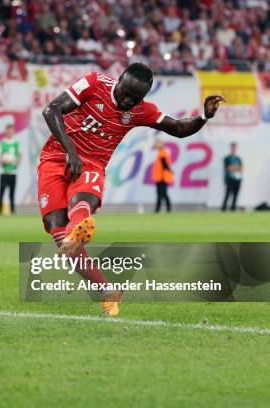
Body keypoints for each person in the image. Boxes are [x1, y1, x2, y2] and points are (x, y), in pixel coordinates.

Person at [40, 63, 224, 316]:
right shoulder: (94, 84)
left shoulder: (141, 111)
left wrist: (204, 116)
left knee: (80, 204)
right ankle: (107, 290)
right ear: (119, 81)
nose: (128, 101)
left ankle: (77, 232)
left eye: (136, 98)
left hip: (93, 163)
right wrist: (71, 151)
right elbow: (51, 110)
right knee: (56, 228)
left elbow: (179, 129)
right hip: (55, 156)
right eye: (125, 93)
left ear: (144, 96)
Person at [0, 124, 21, 215]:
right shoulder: (2, 143)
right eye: (8, 131)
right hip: (4, 172)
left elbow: (20, 155)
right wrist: (2, 161)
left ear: (13, 132)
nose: (10, 132)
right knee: (1, 192)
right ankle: (0, 211)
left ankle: (12, 211)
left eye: (11, 131)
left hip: (13, 172)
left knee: (12, 193)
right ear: (6, 132)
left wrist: (17, 164)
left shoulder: (16, 143)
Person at [152, 140, 174, 213]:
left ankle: (167, 209)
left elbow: (164, 164)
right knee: (160, 194)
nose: (156, 145)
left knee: (163, 193)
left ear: (161, 144)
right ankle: (158, 209)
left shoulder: (162, 152)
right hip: (160, 177)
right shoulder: (162, 152)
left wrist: (170, 170)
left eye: (157, 144)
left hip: (162, 177)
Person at [222, 142, 243, 211]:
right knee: (227, 195)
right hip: (229, 179)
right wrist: (236, 167)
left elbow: (241, 168)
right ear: (231, 148)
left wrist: (234, 167)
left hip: (237, 179)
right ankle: (223, 209)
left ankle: (233, 209)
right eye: (233, 147)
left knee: (235, 196)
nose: (234, 149)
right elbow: (228, 168)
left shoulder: (238, 158)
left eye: (235, 147)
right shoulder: (227, 158)